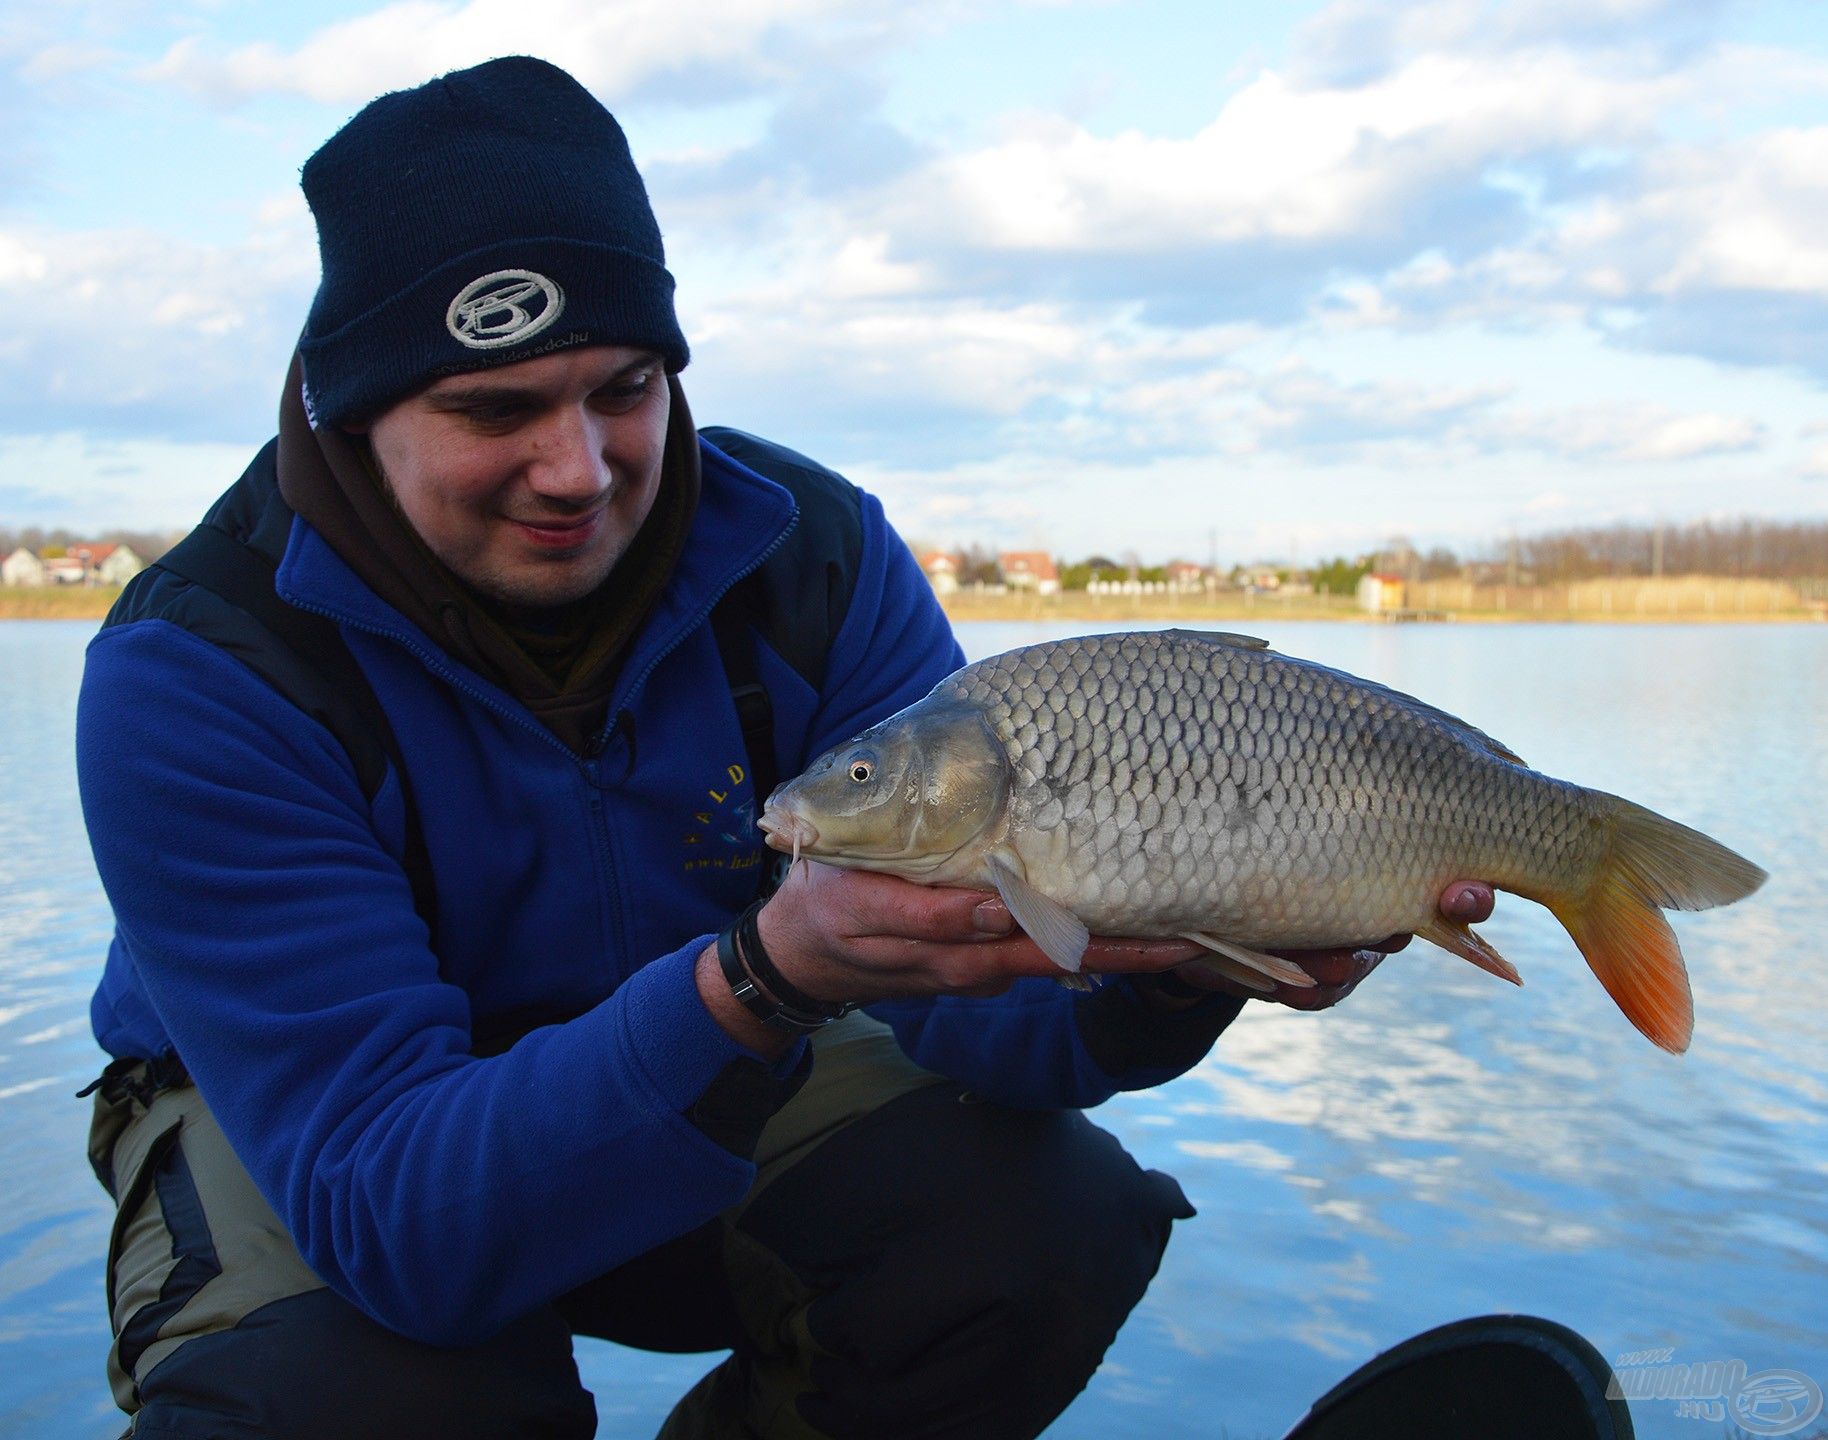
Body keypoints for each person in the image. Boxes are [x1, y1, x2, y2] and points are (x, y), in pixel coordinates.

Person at [74, 56, 1495, 1440]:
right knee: (356, 1400)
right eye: (494, 409)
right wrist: (761, 976)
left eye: (624, 387)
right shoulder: (201, 672)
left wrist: (1176, 973)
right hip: (343, 1146)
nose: (577, 468)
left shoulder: (807, 559)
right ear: (351, 404)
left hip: (713, 1054)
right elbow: (396, 1222)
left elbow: (980, 1012)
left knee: (1040, 1226)